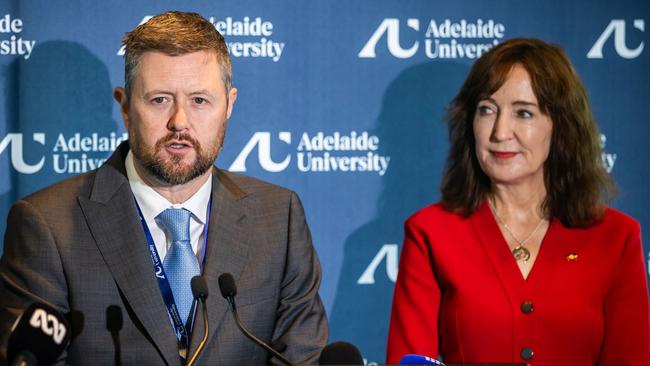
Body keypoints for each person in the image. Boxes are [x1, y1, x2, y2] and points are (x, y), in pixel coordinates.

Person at [0, 11, 327, 365]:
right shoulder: (48, 225)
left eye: (199, 100)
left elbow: (300, 356)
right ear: (125, 107)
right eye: (160, 100)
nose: (179, 122)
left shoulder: (279, 217)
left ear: (229, 105)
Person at [386, 38, 650, 365]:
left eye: (523, 113)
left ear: (561, 127)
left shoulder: (617, 237)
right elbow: (408, 357)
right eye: (486, 110)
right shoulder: (430, 232)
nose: (500, 131)